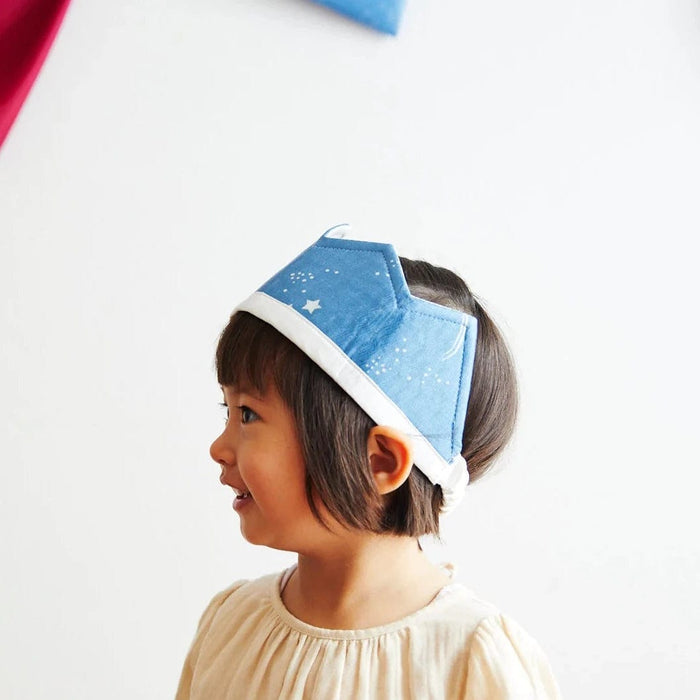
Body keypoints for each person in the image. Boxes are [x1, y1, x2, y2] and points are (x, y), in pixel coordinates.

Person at [175, 225, 562, 699]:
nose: (218, 447)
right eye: (228, 409)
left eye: (248, 415)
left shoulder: (470, 659)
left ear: (379, 461)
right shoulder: (232, 624)